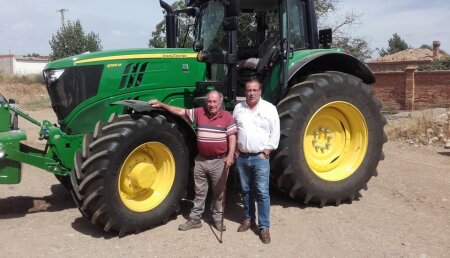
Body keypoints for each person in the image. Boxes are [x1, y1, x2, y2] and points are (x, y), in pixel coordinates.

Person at [149, 90, 237, 231]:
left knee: (218, 193)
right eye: (209, 101)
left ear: (220, 102)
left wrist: (230, 155)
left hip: (219, 161)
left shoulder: (227, 117)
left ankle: (217, 219)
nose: (212, 104)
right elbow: (180, 111)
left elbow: (232, 137)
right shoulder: (199, 112)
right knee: (200, 191)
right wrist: (162, 105)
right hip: (201, 160)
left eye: (215, 101)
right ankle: (195, 219)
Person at [233, 79, 280, 244]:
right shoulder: (238, 108)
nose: (251, 93)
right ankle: (249, 219)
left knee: (262, 192)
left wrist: (267, 150)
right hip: (242, 157)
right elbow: (233, 130)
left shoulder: (269, 108)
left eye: (254, 90)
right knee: (245, 190)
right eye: (248, 90)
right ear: (245, 92)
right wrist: (236, 150)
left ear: (260, 91)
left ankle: (264, 227)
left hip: (260, 157)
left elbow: (275, 132)